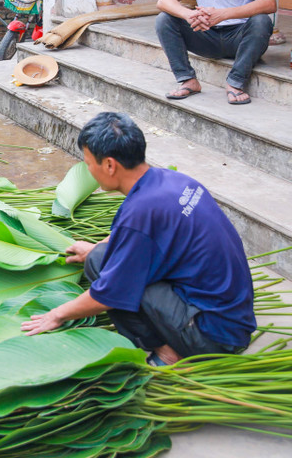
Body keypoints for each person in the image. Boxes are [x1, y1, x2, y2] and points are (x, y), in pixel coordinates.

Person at [21, 112, 256, 366]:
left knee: (104, 269)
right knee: (100, 256)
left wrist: (57, 315)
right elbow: (137, 233)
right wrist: (97, 248)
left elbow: (107, 295)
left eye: (89, 163)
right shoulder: (170, 180)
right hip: (234, 319)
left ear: (109, 165)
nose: (88, 170)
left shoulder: (142, 210)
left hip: (213, 337)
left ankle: (168, 352)